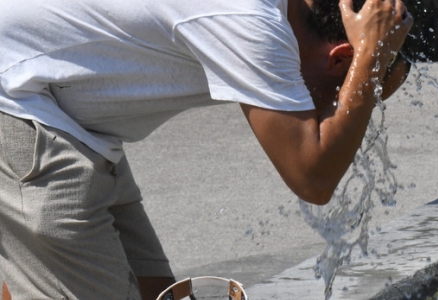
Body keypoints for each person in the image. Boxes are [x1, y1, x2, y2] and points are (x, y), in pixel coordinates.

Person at [0, 0, 412, 298]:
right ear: (341, 59)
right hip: (20, 100)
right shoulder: (254, 23)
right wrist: (372, 63)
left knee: (157, 293)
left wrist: (366, 75)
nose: (328, 108)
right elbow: (314, 175)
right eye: (340, 90)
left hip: (68, 118)